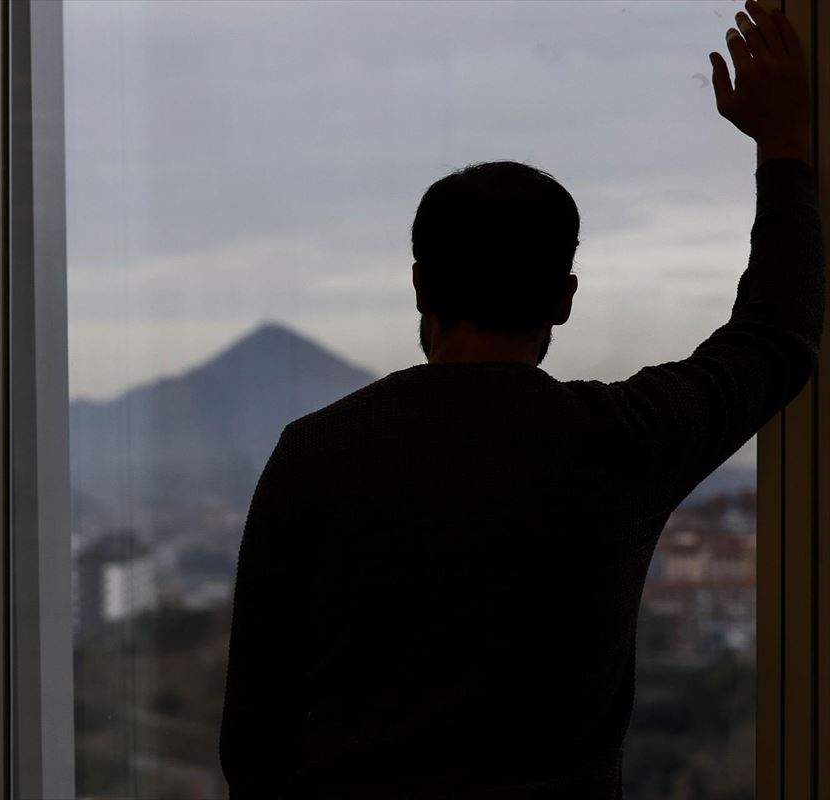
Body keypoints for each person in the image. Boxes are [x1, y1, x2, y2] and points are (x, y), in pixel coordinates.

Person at [218, 1, 821, 797]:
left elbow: (253, 735)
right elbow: (773, 337)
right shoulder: (620, 443)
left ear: (420, 283)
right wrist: (784, 146)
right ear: (564, 297)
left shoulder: (316, 453)